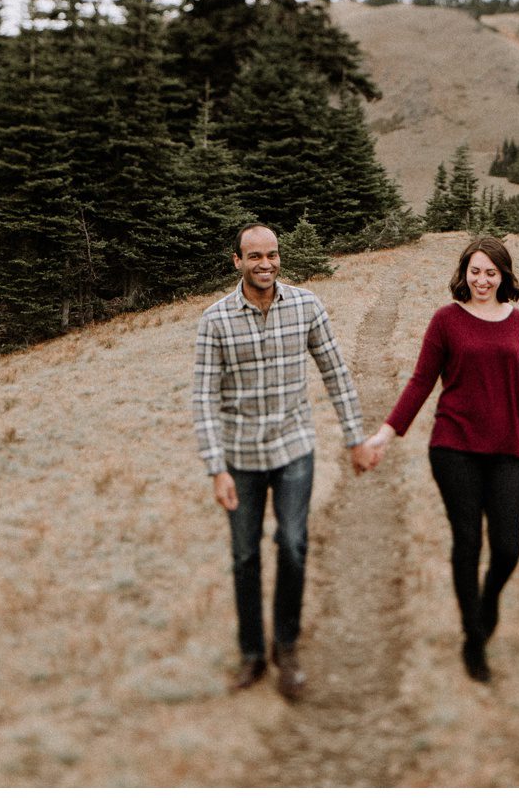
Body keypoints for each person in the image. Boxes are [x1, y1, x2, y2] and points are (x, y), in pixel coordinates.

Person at [359, 236, 519, 682]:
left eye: (491, 272)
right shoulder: (446, 321)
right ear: (463, 273)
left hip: (508, 449)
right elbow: (419, 382)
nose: (482, 280)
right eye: (475, 270)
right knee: (467, 542)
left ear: (503, 276)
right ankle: (474, 639)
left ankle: (486, 605)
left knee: (508, 548)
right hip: (454, 447)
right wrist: (385, 433)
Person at [193, 222, 380, 701]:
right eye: (254, 256)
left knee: (294, 544)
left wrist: (355, 438)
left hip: (295, 447)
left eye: (272, 255)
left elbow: (336, 374)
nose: (266, 264)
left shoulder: (306, 305)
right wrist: (217, 469)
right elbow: (203, 400)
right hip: (241, 455)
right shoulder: (215, 320)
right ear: (237, 261)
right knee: (245, 555)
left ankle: (287, 647)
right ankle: (253, 654)